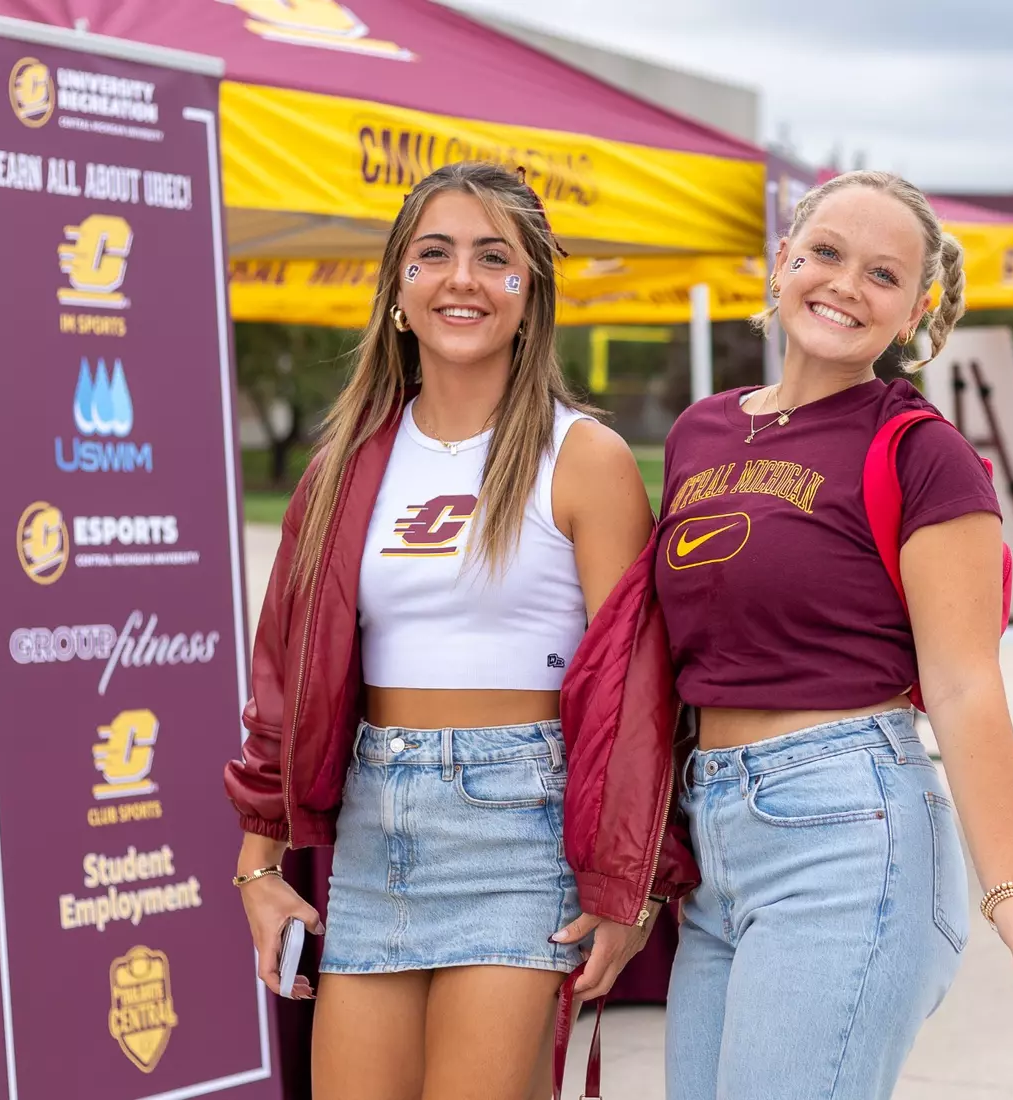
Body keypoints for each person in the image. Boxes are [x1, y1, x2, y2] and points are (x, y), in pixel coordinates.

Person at [221, 162, 677, 1100]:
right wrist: (257, 865)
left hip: (520, 825)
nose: (461, 279)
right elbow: (286, 678)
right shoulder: (344, 466)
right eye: (434, 254)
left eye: (493, 258)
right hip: (374, 819)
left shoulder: (581, 456)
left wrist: (637, 888)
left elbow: (639, 692)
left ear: (530, 293)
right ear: (398, 287)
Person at [655, 171, 1013, 1100]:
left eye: (883, 274)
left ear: (913, 312)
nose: (845, 285)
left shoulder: (920, 450)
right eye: (824, 253)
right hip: (714, 840)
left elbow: (967, 680)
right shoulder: (700, 432)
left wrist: (1011, 895)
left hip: (849, 832)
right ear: (781, 264)